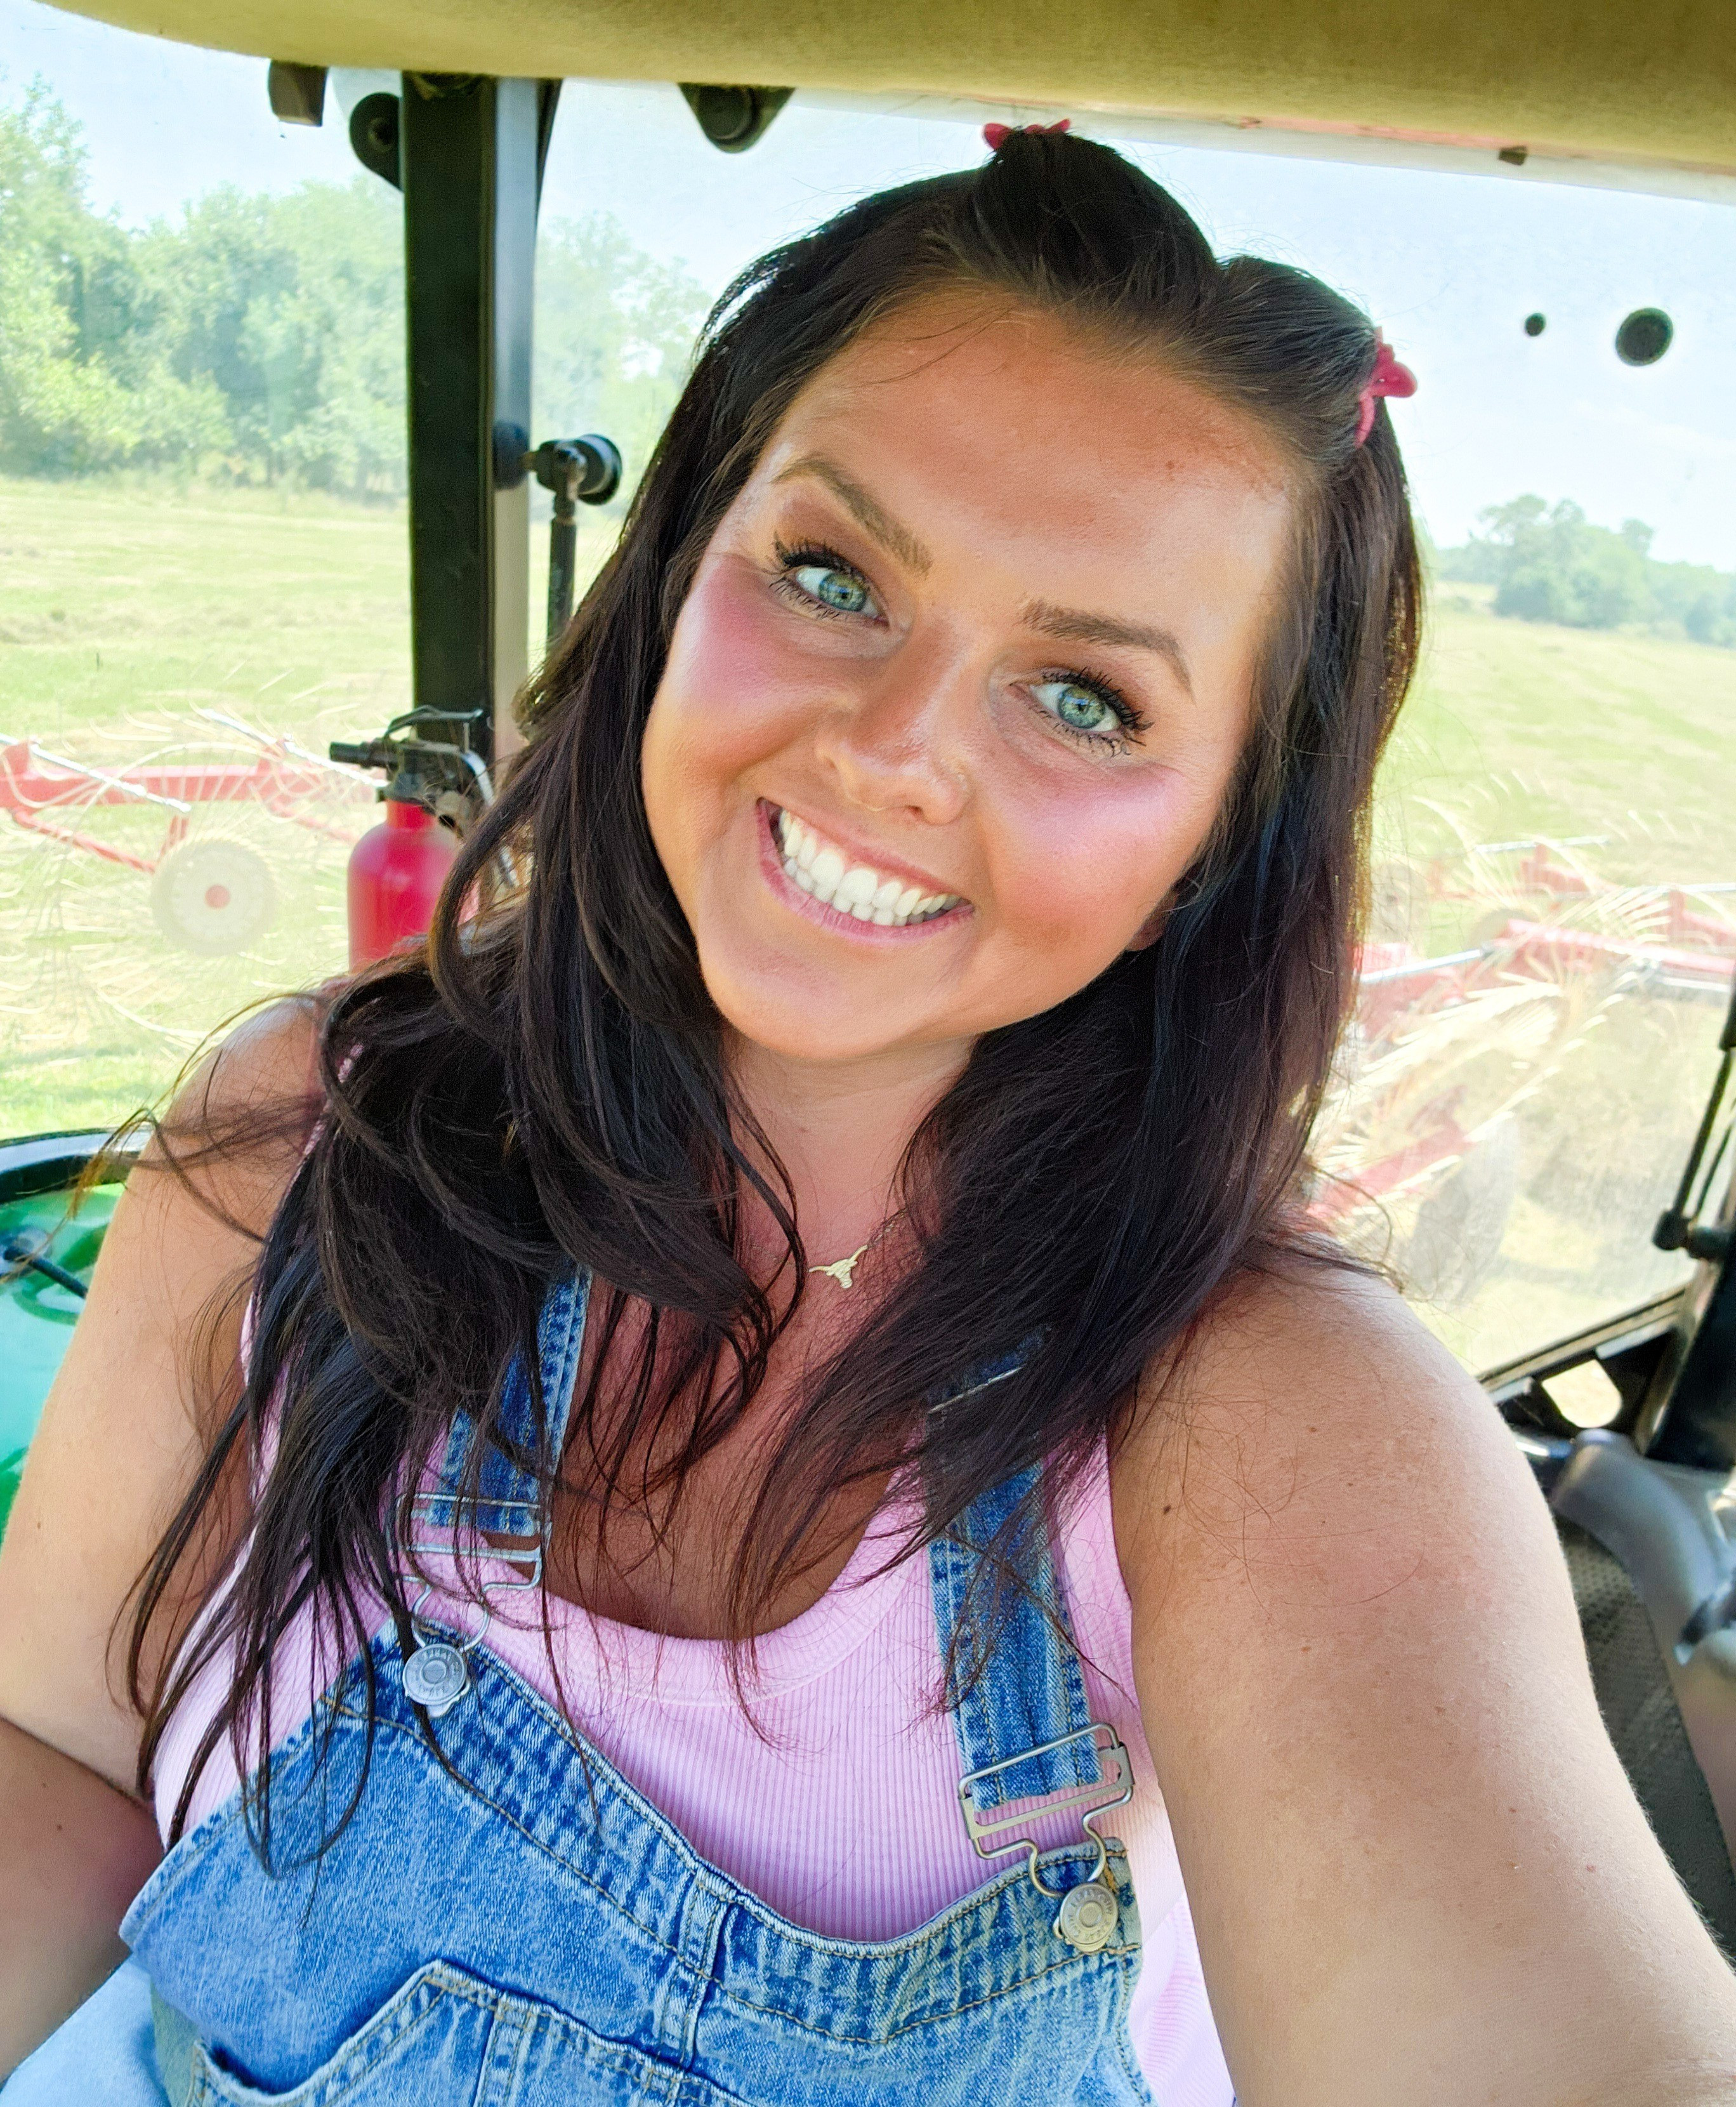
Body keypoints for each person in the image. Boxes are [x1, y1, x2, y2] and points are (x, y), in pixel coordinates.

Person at [2, 124, 1733, 2107]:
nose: (892, 753)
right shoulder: (303, 1151)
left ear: (1210, 849)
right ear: (679, 571)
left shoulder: (1265, 1426)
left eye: (1087, 698)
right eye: (832, 574)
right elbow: (56, 1746)